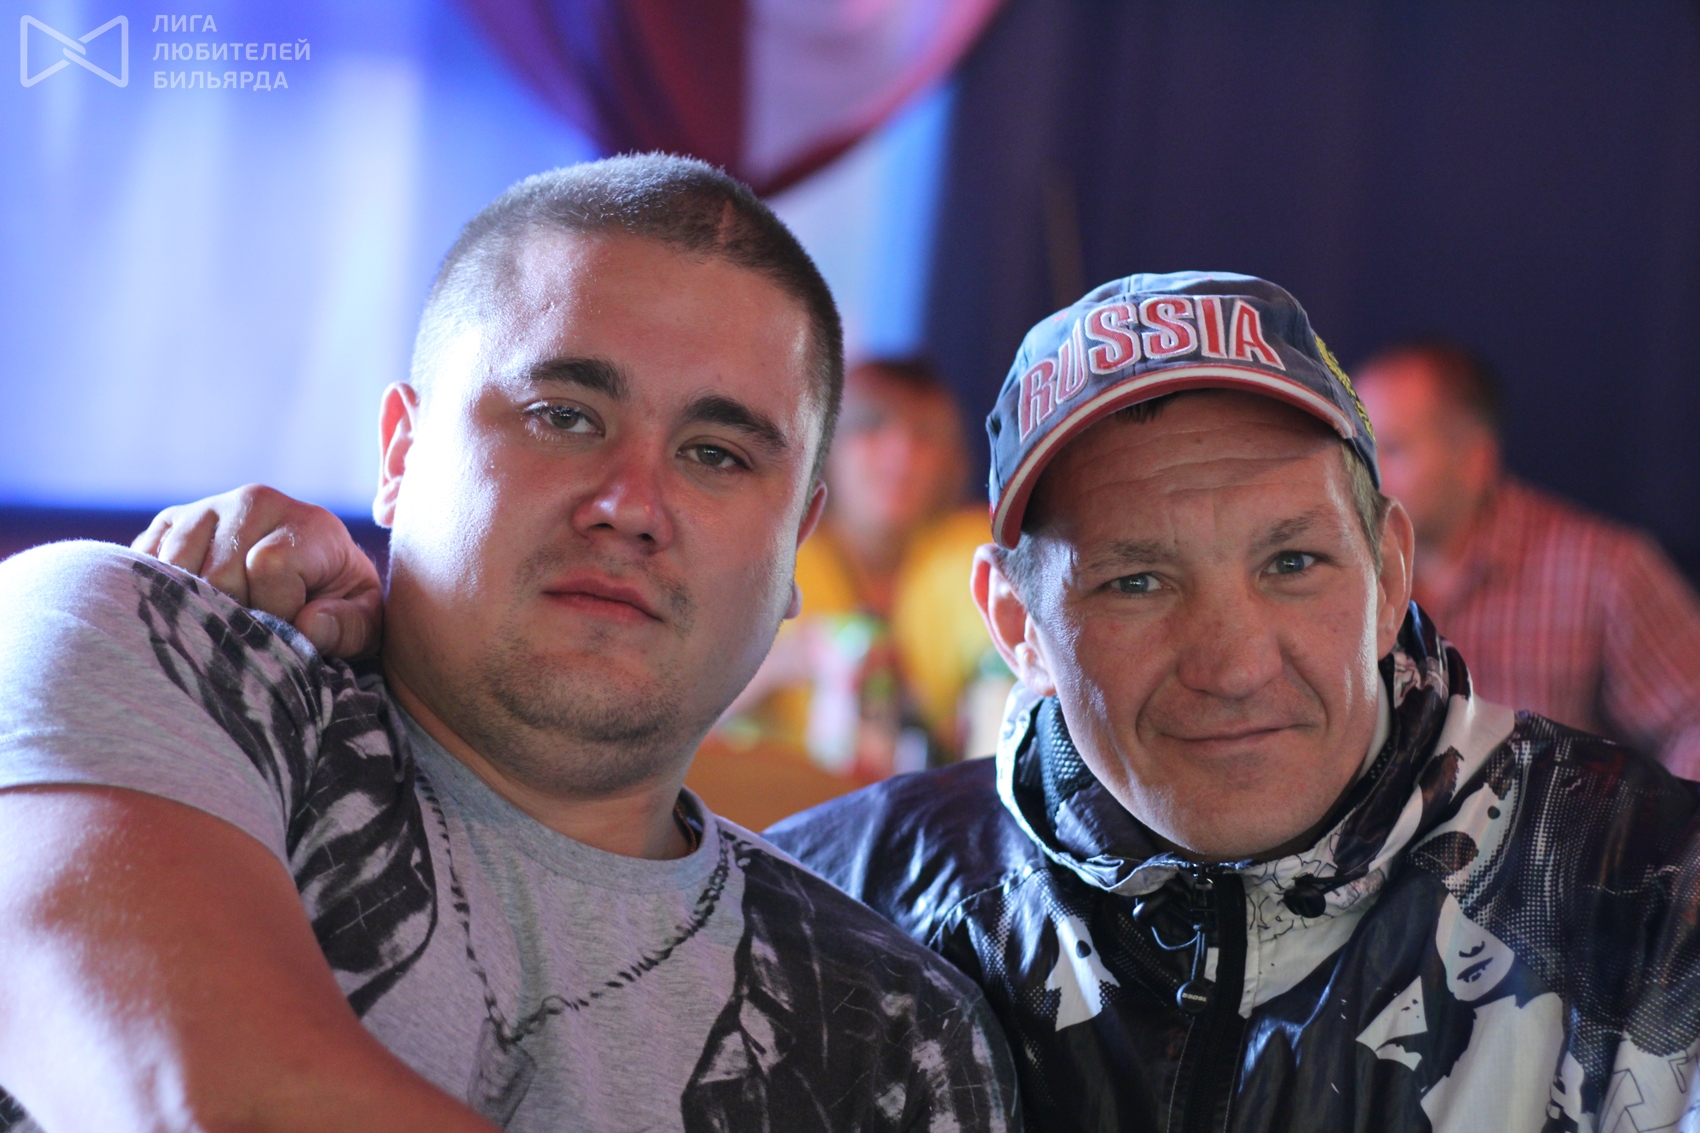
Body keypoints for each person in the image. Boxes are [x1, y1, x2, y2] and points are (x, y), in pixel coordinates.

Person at [0, 156, 1019, 1132]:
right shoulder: (143, 645)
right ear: (400, 454)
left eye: (715, 454)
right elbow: (226, 1107)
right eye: (563, 415)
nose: (631, 504)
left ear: (796, 537)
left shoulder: (894, 1030)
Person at [760, 274, 1700, 1130]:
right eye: (1136, 581)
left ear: (1387, 575)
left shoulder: (1657, 898)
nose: (1236, 665)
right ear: (1018, 625)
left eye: (1293, 562)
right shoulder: (818, 916)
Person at [1353, 339, 1700, 776]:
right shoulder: (1340, 566)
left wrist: (1655, 819)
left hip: (1545, 818)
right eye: (1359, 449)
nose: (1369, 474)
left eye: (1393, 449)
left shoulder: (1602, 570)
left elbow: (1691, 719)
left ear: (1474, 459)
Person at [720, 358, 1007, 774]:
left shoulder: (972, 554)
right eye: (871, 428)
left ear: (951, 461)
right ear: (825, 450)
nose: (900, 453)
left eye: (924, 436)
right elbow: (675, 708)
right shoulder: (761, 560)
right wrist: (784, 662)